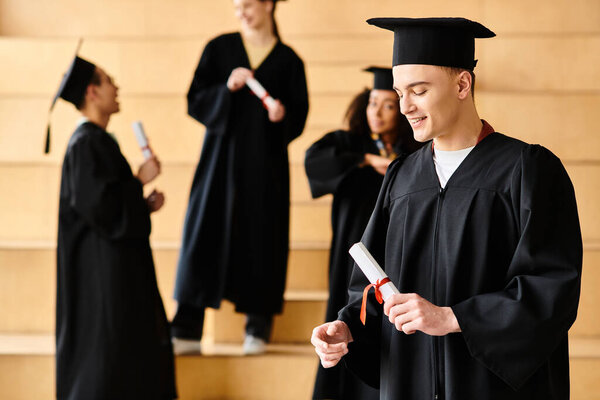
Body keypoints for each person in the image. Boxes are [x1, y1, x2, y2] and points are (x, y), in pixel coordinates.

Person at [311, 17, 582, 400]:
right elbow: (369, 286)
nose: (405, 106)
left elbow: (551, 287)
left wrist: (453, 318)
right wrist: (347, 329)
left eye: (418, 91)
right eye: (399, 92)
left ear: (462, 84)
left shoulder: (525, 170)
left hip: (491, 387)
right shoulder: (401, 177)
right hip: (411, 380)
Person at [172, 0, 309, 355]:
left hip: (265, 170)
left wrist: (283, 116)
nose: (241, 12)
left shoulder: (289, 60)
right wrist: (226, 89)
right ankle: (186, 327)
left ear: (267, 4)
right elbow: (194, 100)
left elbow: (298, 115)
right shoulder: (220, 49)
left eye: (247, 4)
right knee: (204, 234)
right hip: (218, 164)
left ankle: (258, 327)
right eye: (236, 6)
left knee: (262, 238)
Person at [53, 55, 177, 399]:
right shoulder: (86, 143)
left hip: (114, 271)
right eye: (109, 81)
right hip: (103, 278)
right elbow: (99, 205)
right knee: (109, 358)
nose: (116, 87)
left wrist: (141, 204)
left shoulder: (97, 141)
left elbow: (109, 206)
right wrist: (138, 180)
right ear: (92, 92)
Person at [305, 67, 421, 400]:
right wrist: (365, 161)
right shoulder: (347, 144)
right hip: (350, 255)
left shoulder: (410, 150)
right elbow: (316, 162)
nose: (378, 112)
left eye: (388, 105)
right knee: (344, 318)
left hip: (392, 254)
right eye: (372, 103)